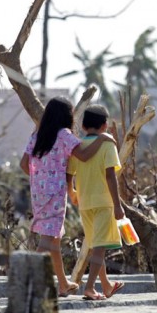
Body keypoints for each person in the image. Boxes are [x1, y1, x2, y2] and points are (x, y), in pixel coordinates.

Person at [20, 97, 114, 297]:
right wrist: (102, 139)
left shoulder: (37, 134)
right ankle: (28, 281)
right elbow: (84, 155)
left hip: (38, 192)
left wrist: (40, 176)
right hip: (55, 193)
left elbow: (23, 164)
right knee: (47, 239)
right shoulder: (64, 134)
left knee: (53, 238)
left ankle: (63, 284)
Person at [67, 104, 126, 301]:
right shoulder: (107, 144)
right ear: (105, 126)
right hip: (103, 202)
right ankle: (90, 287)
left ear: (83, 126)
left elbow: (69, 174)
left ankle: (106, 285)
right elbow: (110, 176)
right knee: (99, 247)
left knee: (95, 245)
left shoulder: (78, 146)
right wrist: (118, 206)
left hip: (84, 203)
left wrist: (72, 193)